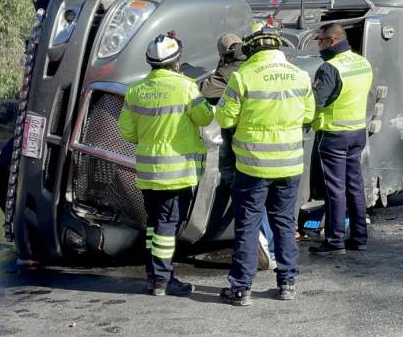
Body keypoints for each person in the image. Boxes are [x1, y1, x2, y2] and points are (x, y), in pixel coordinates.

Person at [216, 27, 314, 306]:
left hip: (253, 165)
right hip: (290, 165)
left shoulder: (242, 77)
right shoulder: (300, 76)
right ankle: (287, 283)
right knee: (284, 222)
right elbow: (309, 114)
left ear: (251, 50)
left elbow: (224, 119)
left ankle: (241, 289)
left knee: (247, 225)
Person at [118, 33, 214, 296]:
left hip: (148, 173)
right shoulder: (185, 87)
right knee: (167, 227)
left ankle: (153, 274)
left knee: (154, 224)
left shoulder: (135, 90)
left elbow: (126, 132)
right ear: (176, 61)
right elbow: (205, 118)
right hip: (177, 172)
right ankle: (163, 279)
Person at [199, 33, 277, 271]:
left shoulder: (232, 74)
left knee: (251, 202)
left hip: (248, 149)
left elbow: (209, 97)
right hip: (284, 150)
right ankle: (279, 259)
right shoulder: (281, 71)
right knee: (278, 206)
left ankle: (258, 251)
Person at [309, 23, 374, 255]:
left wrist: (303, 120)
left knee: (334, 189)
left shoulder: (329, 68)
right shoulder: (362, 62)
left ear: (332, 41)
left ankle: (334, 241)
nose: (318, 44)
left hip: (334, 134)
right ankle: (359, 237)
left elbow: (316, 103)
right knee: (355, 186)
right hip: (357, 132)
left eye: (320, 40)